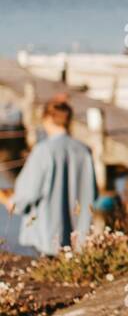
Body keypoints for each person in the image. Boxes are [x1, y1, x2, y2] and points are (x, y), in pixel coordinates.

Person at [0, 99, 97, 255]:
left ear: (48, 118)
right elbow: (93, 192)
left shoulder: (43, 151)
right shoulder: (83, 150)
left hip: (47, 235)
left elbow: (29, 192)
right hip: (80, 234)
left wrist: (12, 202)